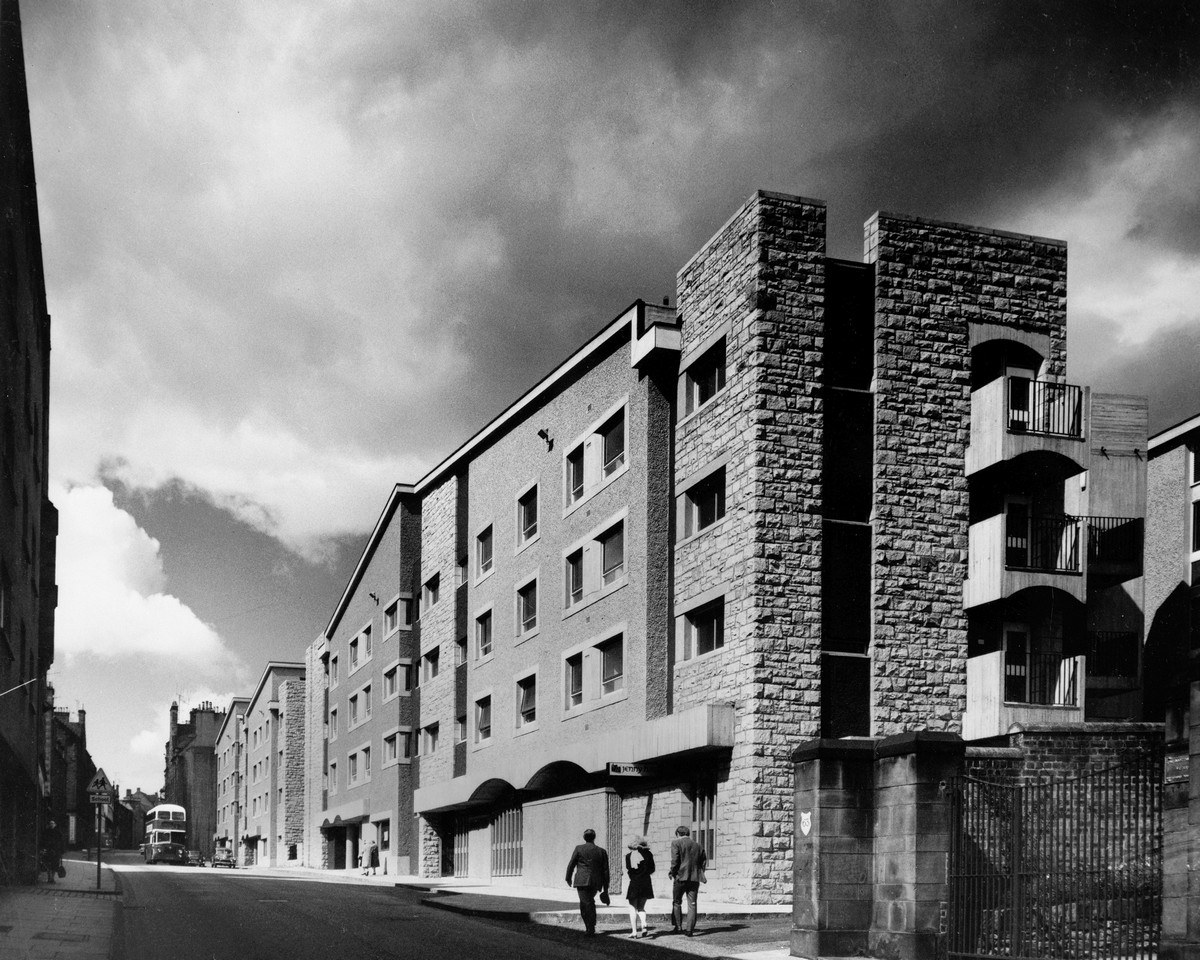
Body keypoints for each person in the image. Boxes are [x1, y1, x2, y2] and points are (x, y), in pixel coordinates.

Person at [564, 828, 610, 935]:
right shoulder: (601, 851)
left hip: (582, 880)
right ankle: (591, 925)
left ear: (584, 838)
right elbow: (606, 871)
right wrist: (606, 888)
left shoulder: (579, 849)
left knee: (585, 903)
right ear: (594, 837)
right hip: (595, 881)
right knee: (589, 901)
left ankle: (590, 927)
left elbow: (571, 864)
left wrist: (568, 877)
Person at [669, 825, 707, 937]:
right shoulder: (698, 845)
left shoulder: (676, 843)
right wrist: (699, 872)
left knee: (677, 902)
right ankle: (689, 930)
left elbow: (675, 860)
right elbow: (703, 861)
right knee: (692, 904)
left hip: (680, 876)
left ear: (678, 834)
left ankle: (678, 926)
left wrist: (672, 872)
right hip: (694, 878)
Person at [624, 836, 655, 938]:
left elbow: (629, 870)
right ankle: (644, 923)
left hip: (634, 883)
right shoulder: (648, 854)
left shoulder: (628, 856)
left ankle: (634, 931)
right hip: (646, 882)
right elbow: (652, 869)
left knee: (632, 907)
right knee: (641, 907)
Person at [41, 820, 64, 884]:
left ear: (55, 824)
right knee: (48, 864)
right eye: (50, 823)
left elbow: (61, 842)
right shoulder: (45, 832)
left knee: (54, 865)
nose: (51, 824)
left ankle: (52, 878)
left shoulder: (58, 832)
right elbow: (42, 841)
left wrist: (61, 851)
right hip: (48, 850)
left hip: (56, 851)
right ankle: (49, 878)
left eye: (53, 823)